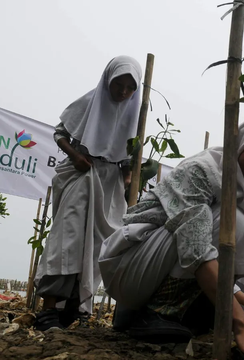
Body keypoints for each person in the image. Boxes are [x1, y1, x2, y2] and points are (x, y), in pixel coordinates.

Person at [98, 117, 244, 360]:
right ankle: (158, 312)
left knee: (238, 222)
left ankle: (181, 315)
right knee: (230, 219)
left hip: (157, 267)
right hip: (131, 266)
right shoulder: (202, 171)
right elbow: (196, 248)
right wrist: (240, 324)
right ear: (242, 142)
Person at [34, 56, 142, 331]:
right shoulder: (89, 101)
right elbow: (60, 133)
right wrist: (75, 156)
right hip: (82, 175)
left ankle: (73, 310)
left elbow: (128, 156)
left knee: (97, 248)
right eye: (119, 84)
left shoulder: (134, 115)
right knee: (67, 238)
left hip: (110, 186)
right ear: (109, 80)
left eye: (131, 87)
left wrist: (128, 177)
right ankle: (48, 309)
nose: (123, 92)